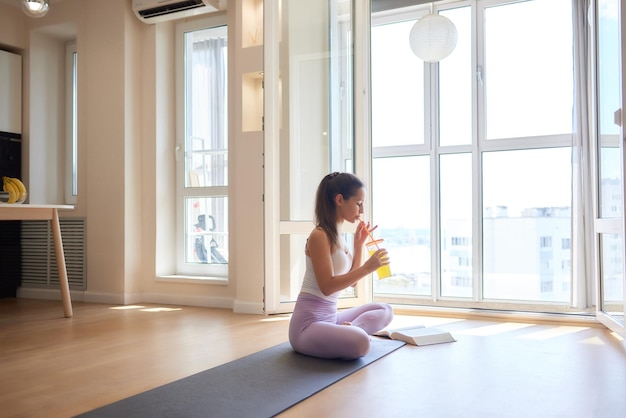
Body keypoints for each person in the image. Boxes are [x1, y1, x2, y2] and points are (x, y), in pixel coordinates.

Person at [288, 172, 394, 360]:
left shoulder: (339, 235)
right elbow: (327, 287)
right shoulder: (319, 235)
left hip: (330, 318)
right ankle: (352, 334)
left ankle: (350, 330)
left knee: (385, 310)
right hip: (307, 326)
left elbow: (351, 282)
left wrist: (358, 246)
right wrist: (368, 268)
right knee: (361, 343)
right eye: (358, 203)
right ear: (339, 200)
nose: (361, 211)